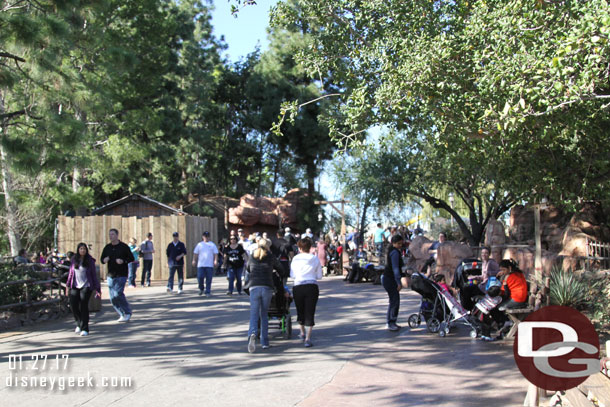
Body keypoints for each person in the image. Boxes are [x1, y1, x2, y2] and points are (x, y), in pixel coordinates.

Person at [245, 238, 285, 353]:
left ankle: (252, 334)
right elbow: (281, 269)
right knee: (264, 314)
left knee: (254, 314)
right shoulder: (271, 257)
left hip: (254, 286)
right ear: (268, 246)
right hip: (267, 286)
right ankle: (264, 342)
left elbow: (248, 268)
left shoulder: (253, 255)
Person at [290, 237, 323, 348]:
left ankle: (302, 332)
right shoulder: (315, 259)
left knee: (300, 309)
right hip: (311, 286)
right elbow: (319, 276)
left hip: (298, 285)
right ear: (310, 248)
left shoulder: (295, 259)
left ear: (299, 248)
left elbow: (292, 275)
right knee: (310, 311)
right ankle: (308, 338)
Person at [66, 243, 101, 336]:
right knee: (73, 304)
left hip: (86, 285)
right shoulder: (74, 260)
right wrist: (68, 286)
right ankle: (79, 323)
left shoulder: (90, 261)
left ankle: (85, 328)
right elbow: (70, 273)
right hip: (75, 285)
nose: (82, 250)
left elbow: (94, 275)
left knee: (83, 305)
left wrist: (98, 289)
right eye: (81, 249)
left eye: (84, 249)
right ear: (78, 250)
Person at [101, 228, 135, 322]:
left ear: (117, 235)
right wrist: (105, 260)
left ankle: (127, 312)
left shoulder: (123, 247)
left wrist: (123, 261)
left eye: (112, 234)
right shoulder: (107, 247)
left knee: (118, 294)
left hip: (121, 274)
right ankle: (121, 313)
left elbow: (131, 258)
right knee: (112, 298)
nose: (110, 236)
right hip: (111, 275)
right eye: (109, 234)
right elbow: (102, 259)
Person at [459, 247, 501, 311]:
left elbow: (499, 272)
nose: (484, 254)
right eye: (482, 253)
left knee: (466, 289)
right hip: (482, 284)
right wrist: (474, 277)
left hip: (487, 287)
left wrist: (489, 273)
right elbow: (483, 276)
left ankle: (467, 308)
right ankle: (467, 307)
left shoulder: (492, 262)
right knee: (464, 287)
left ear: (489, 254)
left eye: (486, 253)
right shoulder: (484, 263)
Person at [382, 234, 405, 331]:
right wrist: (398, 282)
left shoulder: (392, 251)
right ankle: (391, 322)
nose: (400, 245)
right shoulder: (395, 253)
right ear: (394, 243)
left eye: (401, 243)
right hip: (389, 279)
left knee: (393, 300)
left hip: (387, 278)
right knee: (394, 301)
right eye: (398, 243)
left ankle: (391, 321)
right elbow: (395, 268)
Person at [192, 231, 219, 297]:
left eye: (207, 236)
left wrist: (215, 261)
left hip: (209, 265)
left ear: (209, 237)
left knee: (209, 278)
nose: (206, 237)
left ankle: (207, 291)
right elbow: (195, 253)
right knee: (200, 277)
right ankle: (201, 288)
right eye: (205, 236)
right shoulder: (199, 244)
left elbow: (215, 253)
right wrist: (194, 260)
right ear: (203, 237)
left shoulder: (212, 244)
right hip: (201, 264)